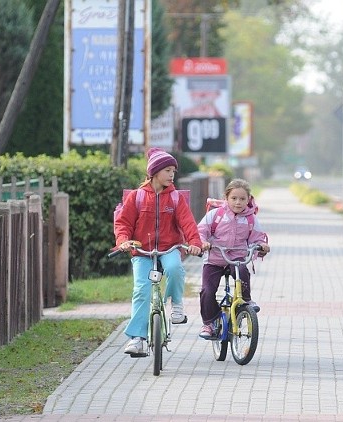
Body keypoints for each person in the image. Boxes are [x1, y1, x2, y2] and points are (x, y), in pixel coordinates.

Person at [114, 147, 203, 356]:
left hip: (168, 248)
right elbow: (123, 223)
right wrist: (124, 241)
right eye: (168, 170)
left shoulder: (175, 198)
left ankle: (177, 306)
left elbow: (188, 223)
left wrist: (194, 242)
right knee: (141, 290)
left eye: (174, 171)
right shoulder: (136, 197)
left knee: (174, 269)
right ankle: (137, 338)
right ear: (154, 172)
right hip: (142, 251)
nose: (172, 175)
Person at [196, 179, 270, 339]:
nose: (238, 202)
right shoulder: (216, 215)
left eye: (242, 199)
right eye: (234, 198)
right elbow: (201, 230)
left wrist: (261, 246)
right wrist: (203, 242)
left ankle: (245, 302)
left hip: (236, 259)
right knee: (207, 291)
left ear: (248, 199)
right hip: (214, 259)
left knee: (243, 272)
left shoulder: (250, 219)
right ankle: (209, 322)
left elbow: (257, 238)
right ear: (226, 198)